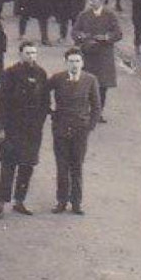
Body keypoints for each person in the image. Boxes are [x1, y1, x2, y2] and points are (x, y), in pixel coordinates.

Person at [0, 40, 50, 218]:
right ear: (20, 54)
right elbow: (1, 102)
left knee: (27, 166)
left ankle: (20, 201)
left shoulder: (41, 73)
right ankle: (1, 204)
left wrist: (40, 122)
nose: (31, 56)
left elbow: (45, 102)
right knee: (8, 166)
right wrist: (1, 127)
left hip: (32, 130)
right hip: (13, 127)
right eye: (28, 53)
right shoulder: (10, 73)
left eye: (34, 53)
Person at [48, 46, 101, 216]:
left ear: (82, 63)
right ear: (66, 63)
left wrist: (89, 127)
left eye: (77, 61)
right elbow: (42, 95)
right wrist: (52, 113)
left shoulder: (90, 80)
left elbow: (96, 106)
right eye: (71, 61)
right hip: (61, 129)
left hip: (80, 130)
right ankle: (61, 201)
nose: (74, 65)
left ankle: (76, 202)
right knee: (62, 167)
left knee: (77, 166)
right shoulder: (57, 79)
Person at [71, 0, 123, 121]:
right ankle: (86, 111)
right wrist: (80, 36)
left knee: (102, 85)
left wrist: (106, 37)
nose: (91, 4)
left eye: (94, 1)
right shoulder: (84, 15)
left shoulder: (110, 15)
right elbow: (75, 31)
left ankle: (98, 112)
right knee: (86, 82)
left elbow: (118, 33)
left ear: (101, 0)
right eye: (89, 1)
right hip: (88, 53)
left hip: (104, 54)